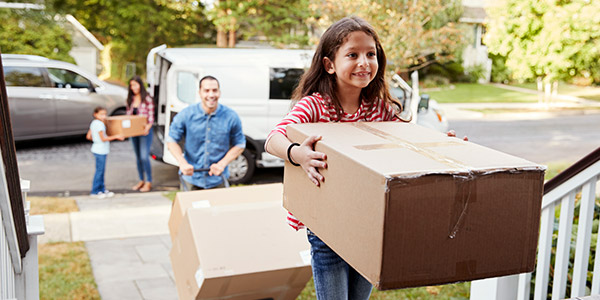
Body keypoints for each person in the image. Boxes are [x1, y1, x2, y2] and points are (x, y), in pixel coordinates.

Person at [265, 16, 466, 300]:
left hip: (368, 223)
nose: (364, 62)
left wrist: (445, 147)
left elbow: (411, 143)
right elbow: (273, 139)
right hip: (327, 227)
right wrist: (298, 154)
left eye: (371, 54)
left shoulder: (379, 109)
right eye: (353, 55)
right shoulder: (314, 105)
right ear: (329, 65)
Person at [166, 75, 245, 190]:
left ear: (220, 92)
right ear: (200, 93)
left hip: (218, 179)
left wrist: (222, 164)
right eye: (206, 91)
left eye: (214, 90)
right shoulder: (185, 114)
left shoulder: (231, 117)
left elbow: (240, 144)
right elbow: (171, 140)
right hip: (191, 179)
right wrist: (182, 163)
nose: (211, 95)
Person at [87, 106, 124, 198]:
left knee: (101, 170)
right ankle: (95, 191)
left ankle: (102, 189)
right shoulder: (100, 125)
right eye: (101, 114)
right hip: (101, 150)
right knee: (100, 171)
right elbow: (103, 138)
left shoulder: (94, 123)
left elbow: (88, 136)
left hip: (96, 148)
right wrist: (116, 136)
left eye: (105, 114)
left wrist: (96, 140)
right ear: (95, 114)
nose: (104, 116)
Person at [126, 76, 155, 192]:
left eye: (135, 85)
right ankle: (141, 180)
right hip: (134, 132)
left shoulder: (147, 98)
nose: (133, 88)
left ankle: (149, 181)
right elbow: (128, 116)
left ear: (140, 85)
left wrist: (147, 127)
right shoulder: (130, 99)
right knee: (138, 157)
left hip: (145, 131)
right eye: (131, 85)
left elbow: (151, 116)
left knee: (144, 156)